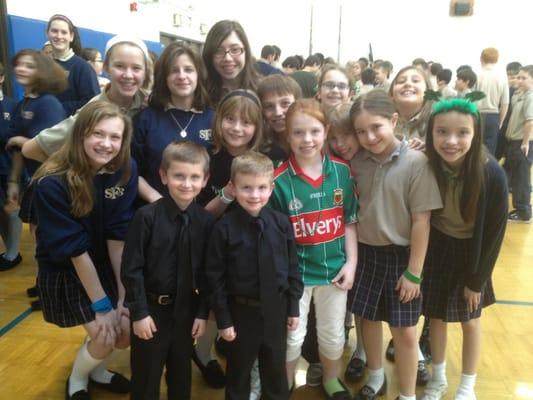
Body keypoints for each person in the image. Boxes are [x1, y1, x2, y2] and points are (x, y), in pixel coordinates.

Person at [32, 100, 138, 399]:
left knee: (124, 334)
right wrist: (102, 307)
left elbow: (118, 237)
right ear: (80, 135)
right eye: (97, 134)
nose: (106, 144)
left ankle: (96, 369)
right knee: (105, 336)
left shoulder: (125, 170)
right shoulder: (51, 182)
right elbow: (75, 251)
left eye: (114, 137)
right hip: (68, 270)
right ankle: (77, 379)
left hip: (103, 263)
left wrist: (122, 296)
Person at [349, 90, 442, 400]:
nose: (369, 136)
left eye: (376, 127)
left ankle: (407, 393)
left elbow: (421, 221)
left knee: (404, 331)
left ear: (393, 120)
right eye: (361, 131)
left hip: (402, 258)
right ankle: (376, 376)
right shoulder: (356, 161)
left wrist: (414, 272)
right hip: (365, 253)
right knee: (369, 319)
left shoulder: (416, 162)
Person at [269, 99, 358, 400]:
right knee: (292, 337)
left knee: (333, 335)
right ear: (287, 137)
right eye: (298, 133)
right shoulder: (277, 181)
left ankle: (331, 379)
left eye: (314, 131)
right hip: (296, 278)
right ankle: (285, 382)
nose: (307, 139)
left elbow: (349, 222)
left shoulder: (343, 172)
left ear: (326, 132)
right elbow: (275, 238)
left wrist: (352, 264)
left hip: (335, 273)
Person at [421, 98, 508, 399]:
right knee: (435, 317)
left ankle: (467, 385)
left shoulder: (491, 173)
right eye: (442, 132)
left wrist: (477, 280)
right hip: (439, 248)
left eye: (462, 133)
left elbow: (495, 234)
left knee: (470, 320)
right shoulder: (428, 165)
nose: (451, 141)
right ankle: (439, 377)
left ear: (476, 135)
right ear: (431, 134)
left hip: (472, 255)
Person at [206, 151, 303, 400]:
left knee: (275, 372)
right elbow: (215, 279)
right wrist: (224, 320)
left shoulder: (282, 224)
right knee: (238, 372)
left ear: (271, 188)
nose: (255, 194)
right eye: (246, 188)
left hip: (276, 310)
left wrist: (293, 306)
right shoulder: (223, 229)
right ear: (233, 188)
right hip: (240, 313)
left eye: (261, 187)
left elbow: (292, 267)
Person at [121, 140, 214, 400]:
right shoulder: (146, 217)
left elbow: (208, 273)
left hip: (187, 312)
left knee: (181, 375)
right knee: (146, 377)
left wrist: (202, 313)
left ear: (205, 180)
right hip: (151, 312)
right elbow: (132, 269)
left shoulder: (206, 221)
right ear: (163, 176)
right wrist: (139, 313)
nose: (187, 184)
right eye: (178, 176)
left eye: (195, 177)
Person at [21, 35, 151, 163]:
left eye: (136, 68)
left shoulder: (150, 102)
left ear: (145, 71)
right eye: (120, 66)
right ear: (106, 67)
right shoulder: (91, 111)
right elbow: (30, 149)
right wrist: (77, 172)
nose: (128, 75)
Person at [133, 42, 214, 203]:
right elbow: (132, 171)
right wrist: (158, 202)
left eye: (189, 70)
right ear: (164, 77)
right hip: (154, 212)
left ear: (199, 74)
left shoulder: (214, 120)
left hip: (203, 215)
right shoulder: (146, 119)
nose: (182, 76)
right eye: (174, 70)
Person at [325, 103, 367, 384]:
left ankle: (362, 353)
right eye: (334, 138)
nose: (340, 144)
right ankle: (344, 337)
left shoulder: (369, 158)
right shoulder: (329, 164)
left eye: (347, 136)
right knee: (344, 294)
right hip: (340, 239)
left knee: (364, 300)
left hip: (372, 237)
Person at [46, 14, 100, 115]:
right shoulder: (43, 66)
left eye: (64, 32)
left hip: (71, 128)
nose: (59, 36)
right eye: (54, 31)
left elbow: (93, 103)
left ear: (71, 37)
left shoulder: (83, 68)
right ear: (47, 34)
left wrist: (57, 108)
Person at [202, 20, 260, 105]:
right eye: (218, 51)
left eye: (235, 50)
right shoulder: (201, 93)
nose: (227, 58)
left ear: (246, 51)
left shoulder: (262, 90)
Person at [0, 62, 22, 271]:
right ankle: (8, 251)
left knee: (12, 210)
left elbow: (14, 140)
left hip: (8, 169)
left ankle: (13, 252)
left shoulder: (12, 105)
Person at [505, 65, 533, 223]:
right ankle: (520, 207)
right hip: (515, 142)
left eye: (523, 78)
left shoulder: (530, 96)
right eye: (518, 77)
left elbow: (530, 121)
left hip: (523, 143)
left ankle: (524, 212)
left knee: (521, 177)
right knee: (515, 176)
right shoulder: (520, 94)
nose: (519, 80)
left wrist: (524, 142)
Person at [257, 74, 302, 166]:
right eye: (269, 106)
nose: (278, 112)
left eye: (285, 103)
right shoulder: (261, 148)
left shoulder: (313, 139)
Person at [474, 47, 509, 156]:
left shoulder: (476, 75)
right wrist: (501, 121)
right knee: (490, 150)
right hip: (493, 116)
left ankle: (473, 172)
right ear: (497, 59)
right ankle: (488, 172)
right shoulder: (502, 77)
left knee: (474, 146)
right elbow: (505, 103)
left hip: (476, 114)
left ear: (481, 58)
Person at [390, 65, 434, 150]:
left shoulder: (437, 121)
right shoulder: (383, 121)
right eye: (401, 81)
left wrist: (430, 151)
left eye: (415, 81)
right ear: (392, 93)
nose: (408, 84)